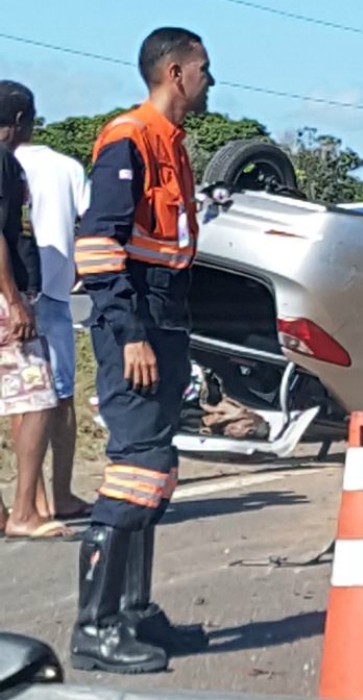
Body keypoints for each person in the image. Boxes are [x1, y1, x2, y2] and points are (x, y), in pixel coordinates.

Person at [69, 27, 214, 674]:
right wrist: (128, 334)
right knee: (135, 470)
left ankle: (134, 612)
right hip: (136, 324)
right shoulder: (129, 138)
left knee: (157, 471)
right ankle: (95, 627)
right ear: (176, 73)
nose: (212, 81)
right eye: (205, 69)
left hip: (167, 317)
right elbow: (99, 247)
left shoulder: (172, 146)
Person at [0, 80, 68, 541]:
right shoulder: (3, 161)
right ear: (21, 120)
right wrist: (14, 299)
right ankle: (24, 511)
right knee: (40, 398)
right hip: (5, 296)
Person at [15, 119, 92, 522]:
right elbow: (90, 223)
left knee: (22, 397)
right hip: (53, 292)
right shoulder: (67, 167)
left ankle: (32, 501)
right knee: (59, 397)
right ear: (26, 121)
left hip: (13, 292)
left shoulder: (9, 163)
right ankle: (57, 495)